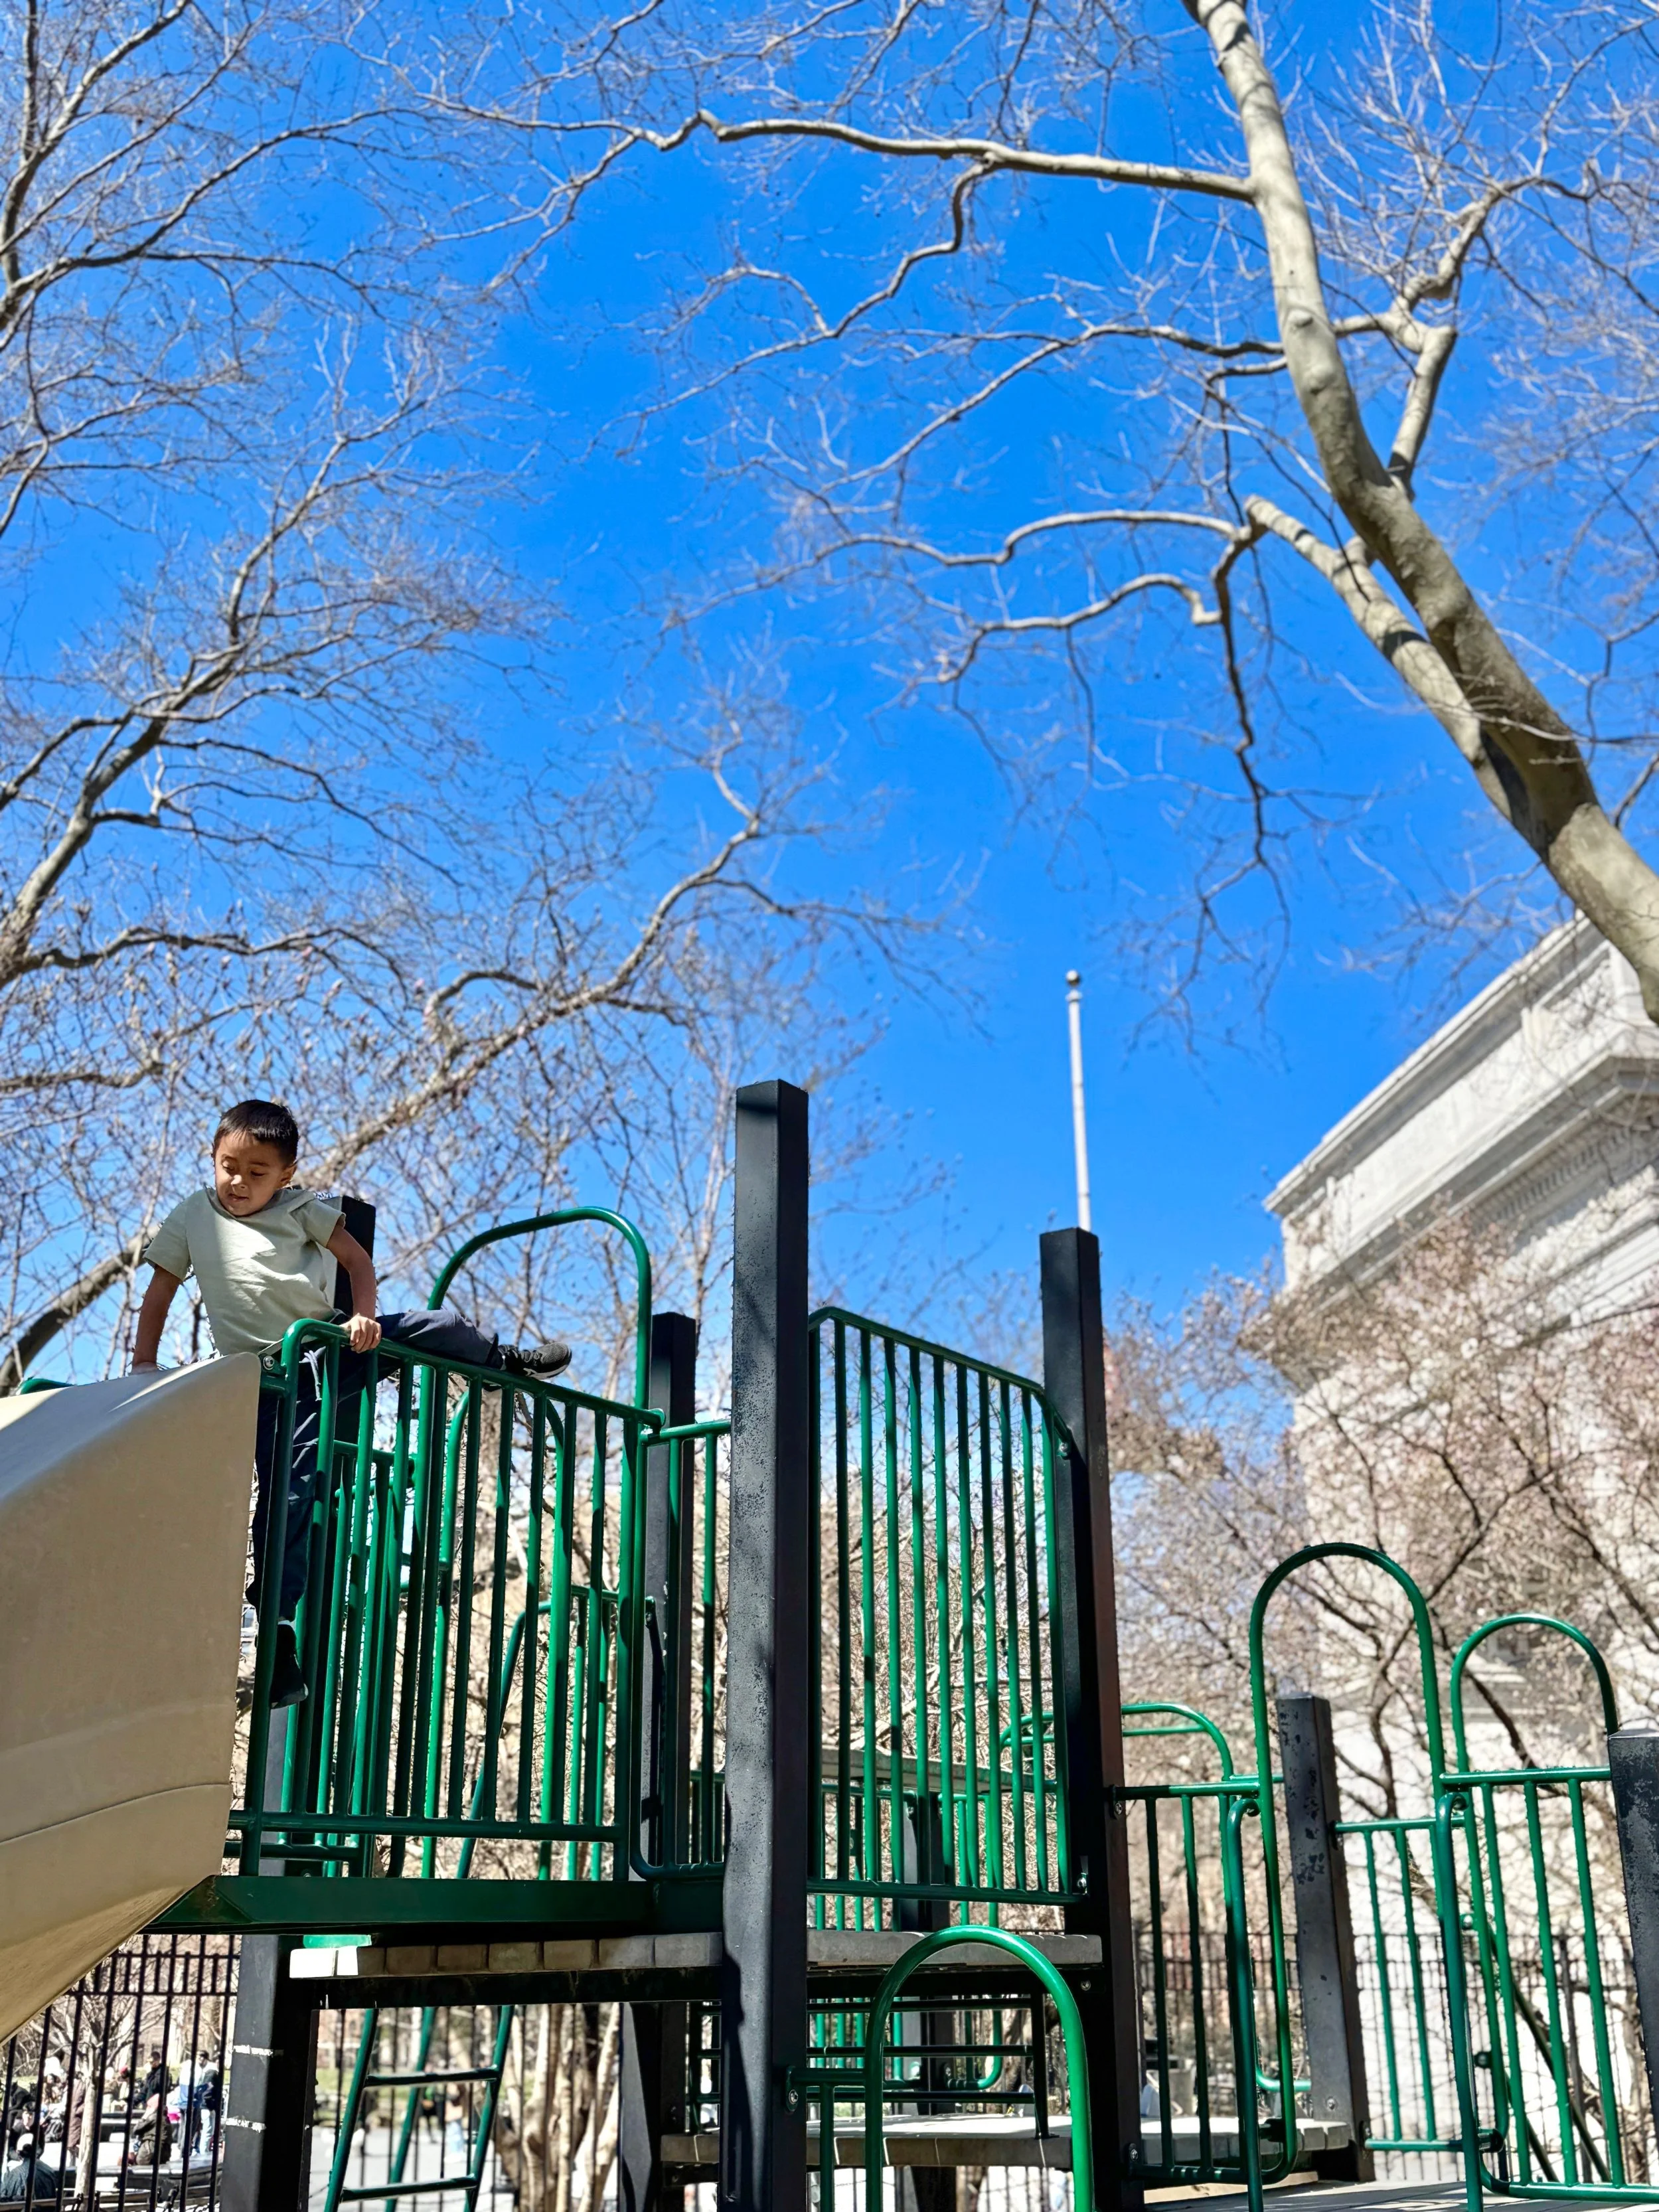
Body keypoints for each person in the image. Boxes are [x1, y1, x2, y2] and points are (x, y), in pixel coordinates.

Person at [131, 1098, 572, 1708]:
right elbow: (158, 1294)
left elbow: (355, 1261)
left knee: (435, 1324)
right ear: (213, 1159)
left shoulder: (300, 1208)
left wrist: (364, 1317)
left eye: (258, 1172)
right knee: (289, 1491)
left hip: (334, 1345)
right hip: (274, 1381)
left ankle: (500, 1366)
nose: (239, 1181)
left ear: (285, 1175)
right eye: (229, 1166)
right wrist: (143, 1365)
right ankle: (277, 1646)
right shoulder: (192, 1217)